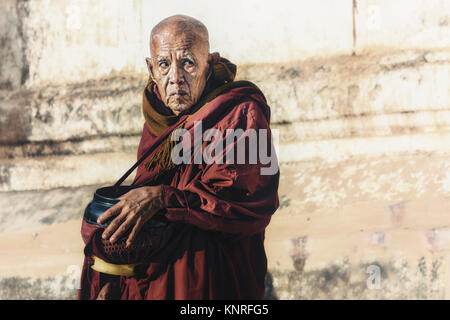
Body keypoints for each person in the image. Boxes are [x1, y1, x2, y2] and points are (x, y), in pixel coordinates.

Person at [79, 14, 279, 300]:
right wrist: (113, 274)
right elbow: (140, 199)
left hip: (210, 279)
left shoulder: (241, 112)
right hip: (153, 277)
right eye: (163, 64)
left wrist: (164, 198)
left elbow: (248, 203)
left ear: (208, 64)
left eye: (187, 63)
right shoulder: (158, 118)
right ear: (151, 69)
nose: (175, 78)